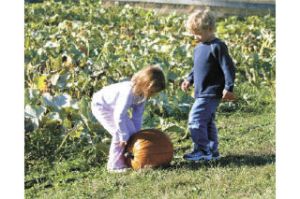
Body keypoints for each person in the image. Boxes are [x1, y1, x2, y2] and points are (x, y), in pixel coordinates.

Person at [181, 8, 236, 161]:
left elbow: (228, 68)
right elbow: (197, 67)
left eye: (198, 33)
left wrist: (228, 87)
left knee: (196, 119)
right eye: (193, 33)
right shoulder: (199, 48)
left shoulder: (217, 46)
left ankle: (202, 150)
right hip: (200, 91)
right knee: (207, 121)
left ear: (210, 29)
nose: (195, 37)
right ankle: (212, 151)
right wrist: (189, 79)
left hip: (211, 92)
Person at [91, 65, 166, 172]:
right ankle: (114, 166)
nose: (152, 95)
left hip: (115, 108)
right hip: (101, 106)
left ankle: (127, 160)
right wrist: (124, 135)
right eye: (152, 91)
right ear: (146, 84)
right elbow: (119, 115)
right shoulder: (128, 92)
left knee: (130, 133)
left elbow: (137, 116)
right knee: (118, 133)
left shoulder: (143, 95)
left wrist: (137, 136)